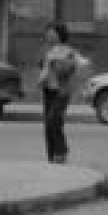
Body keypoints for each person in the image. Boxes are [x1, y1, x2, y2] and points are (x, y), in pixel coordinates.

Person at [38, 23, 79, 164]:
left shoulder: (68, 51)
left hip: (61, 92)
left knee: (53, 120)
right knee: (48, 125)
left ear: (60, 34)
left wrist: (57, 63)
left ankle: (61, 152)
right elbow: (42, 67)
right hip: (48, 90)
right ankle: (51, 157)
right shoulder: (46, 50)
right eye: (47, 32)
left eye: (52, 32)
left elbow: (70, 68)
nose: (48, 35)